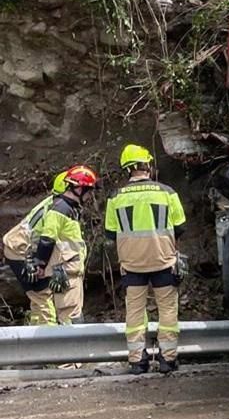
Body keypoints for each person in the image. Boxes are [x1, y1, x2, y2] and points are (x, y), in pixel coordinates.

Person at [105, 144, 187, 374]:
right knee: (168, 310)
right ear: (147, 165)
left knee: (134, 311)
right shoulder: (167, 192)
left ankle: (137, 361)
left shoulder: (116, 197)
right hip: (163, 260)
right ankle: (167, 359)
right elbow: (180, 227)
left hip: (132, 264)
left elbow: (110, 233)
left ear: (127, 170)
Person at [27, 165, 98, 324]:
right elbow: (47, 239)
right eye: (89, 190)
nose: (90, 195)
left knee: (71, 314)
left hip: (70, 272)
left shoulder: (70, 209)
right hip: (65, 273)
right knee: (70, 317)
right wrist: (40, 264)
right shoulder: (60, 209)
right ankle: (71, 347)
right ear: (79, 189)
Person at [3, 170, 70, 322]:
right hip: (19, 249)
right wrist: (36, 263)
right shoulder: (59, 209)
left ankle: (39, 329)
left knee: (43, 294)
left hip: (23, 246)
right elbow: (47, 239)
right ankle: (46, 336)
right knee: (41, 294)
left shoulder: (54, 203)